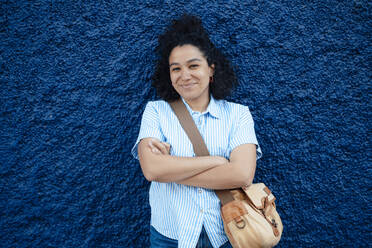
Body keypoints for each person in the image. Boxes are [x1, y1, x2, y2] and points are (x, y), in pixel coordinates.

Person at [131, 14, 262, 248]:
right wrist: (218, 161)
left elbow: (242, 175)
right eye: (176, 69)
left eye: (193, 66)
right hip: (170, 236)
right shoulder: (156, 112)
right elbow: (151, 170)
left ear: (211, 69)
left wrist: (171, 168)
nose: (185, 75)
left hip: (226, 235)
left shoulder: (238, 114)